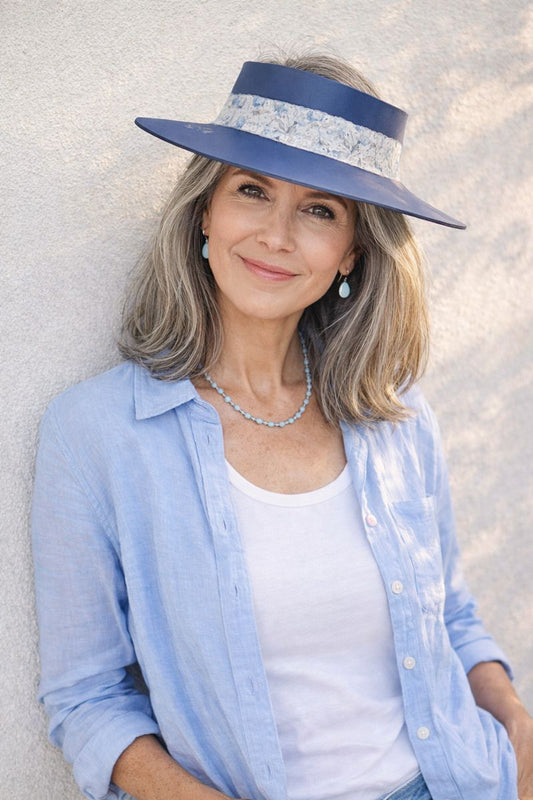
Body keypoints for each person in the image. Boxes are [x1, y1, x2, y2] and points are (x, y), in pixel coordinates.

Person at [31, 53, 533, 800]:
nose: (276, 235)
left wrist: (517, 729)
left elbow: (451, 616)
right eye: (252, 191)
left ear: (350, 253)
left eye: (319, 209)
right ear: (205, 212)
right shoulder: (98, 432)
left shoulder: (393, 411)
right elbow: (87, 700)